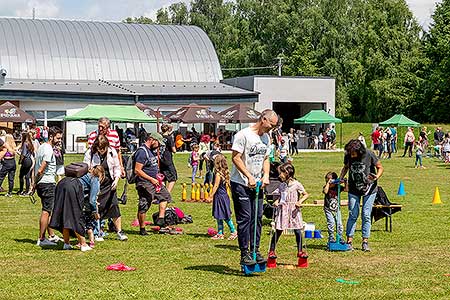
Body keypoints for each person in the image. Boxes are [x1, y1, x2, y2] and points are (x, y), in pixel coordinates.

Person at [230, 109, 278, 266]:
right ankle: (244, 253)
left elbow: (266, 158)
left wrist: (265, 175)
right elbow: (235, 158)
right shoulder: (243, 135)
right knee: (245, 218)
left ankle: (255, 250)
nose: (272, 128)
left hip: (258, 184)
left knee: (257, 217)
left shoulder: (266, 138)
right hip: (241, 184)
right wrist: (248, 176)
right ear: (263, 119)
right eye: (271, 125)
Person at [339, 139, 383, 252]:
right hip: (353, 189)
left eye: (353, 153)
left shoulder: (369, 154)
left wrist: (376, 177)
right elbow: (346, 167)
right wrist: (341, 178)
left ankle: (365, 242)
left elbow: (380, 167)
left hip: (369, 189)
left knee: (366, 214)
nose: (352, 155)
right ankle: (349, 241)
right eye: (350, 153)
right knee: (353, 214)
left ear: (359, 151)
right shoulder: (348, 155)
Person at [84, 135, 128, 241]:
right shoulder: (90, 153)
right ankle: (97, 231)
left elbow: (117, 167)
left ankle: (119, 231)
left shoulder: (112, 152)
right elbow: (85, 167)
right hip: (96, 183)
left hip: (110, 184)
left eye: (104, 148)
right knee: (97, 206)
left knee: (114, 206)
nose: (102, 150)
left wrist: (116, 180)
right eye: (99, 148)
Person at [268, 163, 309, 260]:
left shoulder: (297, 184)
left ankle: (300, 251)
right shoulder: (282, 185)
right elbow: (278, 196)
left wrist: (300, 201)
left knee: (298, 230)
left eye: (281, 173)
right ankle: (271, 251)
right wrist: (276, 201)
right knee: (278, 230)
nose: (279, 175)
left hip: (294, 210)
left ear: (287, 173)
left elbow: (306, 194)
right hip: (284, 210)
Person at [134, 132, 172, 236]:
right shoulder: (142, 152)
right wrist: (151, 179)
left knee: (165, 196)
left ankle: (160, 219)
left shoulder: (151, 151)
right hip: (144, 182)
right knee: (144, 204)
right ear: (152, 140)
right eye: (158, 143)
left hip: (155, 182)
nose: (158, 145)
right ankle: (142, 229)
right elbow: (137, 170)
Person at [35, 126, 63, 247]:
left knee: (48, 210)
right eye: (58, 138)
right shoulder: (48, 149)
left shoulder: (41, 147)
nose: (59, 140)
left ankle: (50, 236)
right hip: (47, 183)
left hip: (42, 184)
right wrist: (35, 181)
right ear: (51, 136)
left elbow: (34, 167)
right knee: (46, 211)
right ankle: (41, 239)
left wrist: (34, 184)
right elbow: (41, 169)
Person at [207, 154, 238, 240]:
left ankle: (233, 231)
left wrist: (210, 196)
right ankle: (220, 233)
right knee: (219, 215)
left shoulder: (218, 174)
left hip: (220, 197)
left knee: (225, 216)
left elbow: (216, 186)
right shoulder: (225, 172)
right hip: (223, 196)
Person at [79, 166, 105, 249]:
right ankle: (91, 241)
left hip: (79, 204)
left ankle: (82, 241)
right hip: (87, 208)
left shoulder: (84, 176)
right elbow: (92, 200)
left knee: (82, 225)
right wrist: (95, 211)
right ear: (101, 175)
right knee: (89, 226)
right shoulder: (95, 179)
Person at [322, 172, 347, 244]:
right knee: (331, 223)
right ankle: (331, 237)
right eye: (326, 181)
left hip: (337, 209)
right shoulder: (326, 187)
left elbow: (346, 189)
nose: (329, 183)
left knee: (339, 224)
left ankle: (340, 236)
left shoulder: (338, 187)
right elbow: (325, 191)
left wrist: (345, 182)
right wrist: (328, 184)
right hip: (328, 209)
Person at [160, 124, 178, 193]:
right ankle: (167, 194)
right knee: (173, 177)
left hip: (161, 159)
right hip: (168, 159)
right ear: (168, 129)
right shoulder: (169, 138)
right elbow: (174, 150)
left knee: (163, 177)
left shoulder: (160, 137)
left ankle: (162, 193)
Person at [18, 132, 35, 196]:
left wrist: (20, 161)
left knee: (21, 176)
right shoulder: (30, 143)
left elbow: (23, 154)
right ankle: (27, 190)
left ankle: (21, 190)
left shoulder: (25, 143)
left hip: (26, 160)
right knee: (27, 176)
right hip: (30, 160)